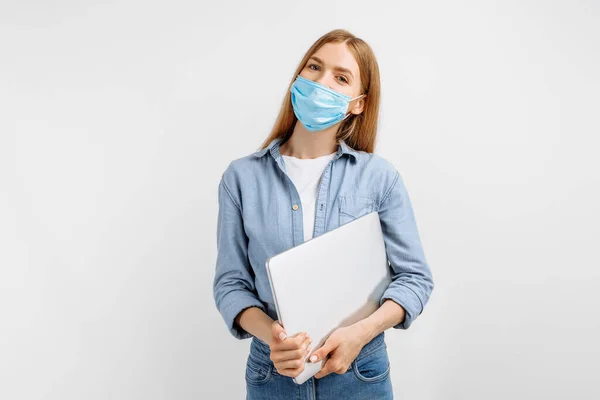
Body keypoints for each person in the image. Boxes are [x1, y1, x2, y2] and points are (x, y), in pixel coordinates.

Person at [213, 29, 434, 400]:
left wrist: (360, 333)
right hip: (273, 374)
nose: (321, 82)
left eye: (341, 77)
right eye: (314, 67)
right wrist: (275, 338)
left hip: (361, 373)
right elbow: (230, 285)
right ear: (298, 77)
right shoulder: (241, 178)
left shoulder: (380, 178)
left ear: (358, 104)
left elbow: (415, 279)